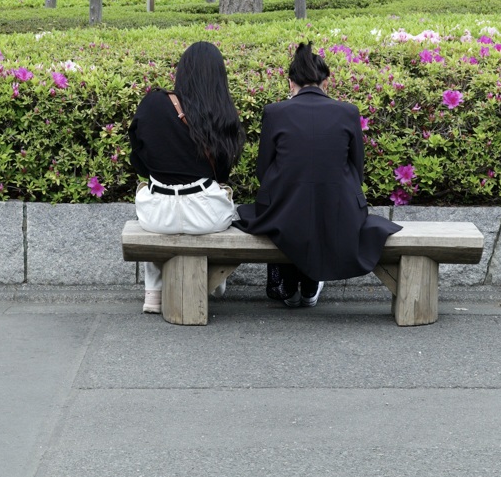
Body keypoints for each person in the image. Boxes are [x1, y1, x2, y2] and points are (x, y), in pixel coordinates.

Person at [235, 42, 402, 307]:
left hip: (285, 210)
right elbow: (356, 169)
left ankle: (288, 286)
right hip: (338, 208)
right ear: (326, 82)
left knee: (276, 211)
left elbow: (263, 170)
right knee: (317, 210)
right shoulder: (348, 112)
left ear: (291, 83)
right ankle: (312, 281)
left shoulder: (275, 112)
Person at [128, 41, 246, 314]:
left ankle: (153, 293)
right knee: (222, 197)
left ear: (182, 71)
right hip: (206, 216)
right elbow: (223, 174)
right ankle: (208, 283)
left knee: (151, 191)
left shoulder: (154, 103)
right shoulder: (223, 113)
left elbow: (139, 161)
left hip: (156, 216)